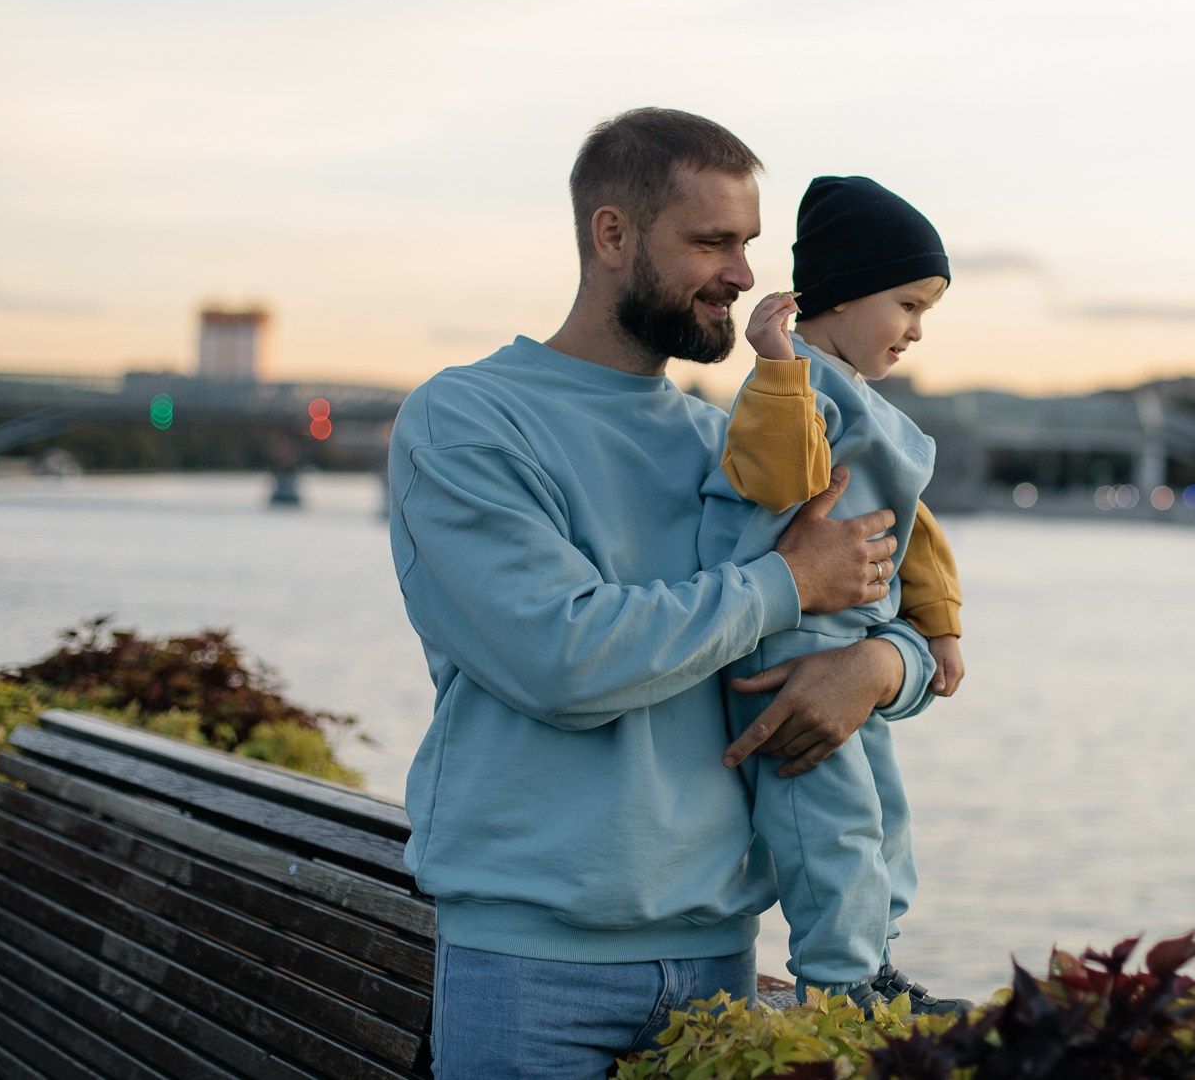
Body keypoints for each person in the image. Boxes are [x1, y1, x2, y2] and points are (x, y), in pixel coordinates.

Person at [387, 110, 941, 1079]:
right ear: (611, 236)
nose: (743, 274)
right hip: (530, 971)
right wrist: (784, 582)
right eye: (711, 242)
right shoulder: (466, 419)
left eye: (749, 245)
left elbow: (884, 611)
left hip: (719, 960)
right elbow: (560, 656)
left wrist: (877, 664)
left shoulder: (738, 441)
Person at [699, 174, 971, 1013]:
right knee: (829, 824)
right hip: (784, 654)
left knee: (882, 815)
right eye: (908, 303)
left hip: (849, 647)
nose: (918, 331)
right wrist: (777, 370)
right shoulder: (790, 389)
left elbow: (911, 530)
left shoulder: (864, 403)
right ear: (847, 292)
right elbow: (784, 480)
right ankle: (842, 983)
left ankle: (876, 961)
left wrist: (940, 626)